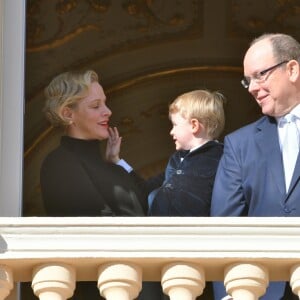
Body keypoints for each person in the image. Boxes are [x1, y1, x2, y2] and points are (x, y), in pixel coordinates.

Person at [39, 69, 149, 300]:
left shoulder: (108, 165)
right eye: (96, 105)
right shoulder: (60, 162)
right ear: (68, 113)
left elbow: (150, 203)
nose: (107, 111)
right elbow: (96, 231)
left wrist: (117, 163)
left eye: (105, 104)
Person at [108, 89, 226, 300]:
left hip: (196, 251)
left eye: (175, 125)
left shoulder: (222, 158)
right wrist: (117, 161)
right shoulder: (175, 160)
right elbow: (143, 190)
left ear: (194, 125)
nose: (171, 132)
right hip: (159, 248)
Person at [211, 33, 300, 300]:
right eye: (247, 80)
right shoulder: (239, 144)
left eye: (260, 75)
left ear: (293, 69)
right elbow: (224, 229)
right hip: (259, 291)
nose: (251, 87)